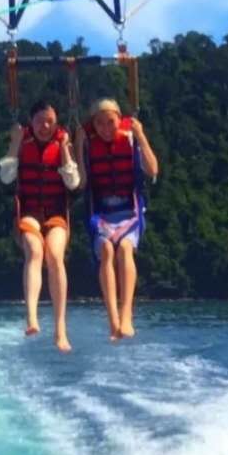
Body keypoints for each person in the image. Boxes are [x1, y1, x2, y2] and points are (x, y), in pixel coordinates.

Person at [0, 99, 80, 352]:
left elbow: (73, 183)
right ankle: (32, 317)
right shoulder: (23, 145)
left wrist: (66, 148)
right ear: (30, 123)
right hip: (30, 212)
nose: (44, 126)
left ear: (56, 124)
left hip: (56, 213)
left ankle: (60, 329)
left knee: (55, 255)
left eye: (50, 122)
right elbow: (6, 177)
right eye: (39, 121)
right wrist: (14, 142)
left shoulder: (62, 145)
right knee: (35, 251)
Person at [76, 98, 159, 340]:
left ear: (119, 119)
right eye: (99, 124)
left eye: (110, 122)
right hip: (100, 214)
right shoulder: (90, 145)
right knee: (106, 251)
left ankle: (126, 315)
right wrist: (79, 146)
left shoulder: (131, 139)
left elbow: (153, 170)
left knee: (124, 249)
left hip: (129, 211)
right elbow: (81, 184)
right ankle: (112, 319)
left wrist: (141, 135)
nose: (105, 128)